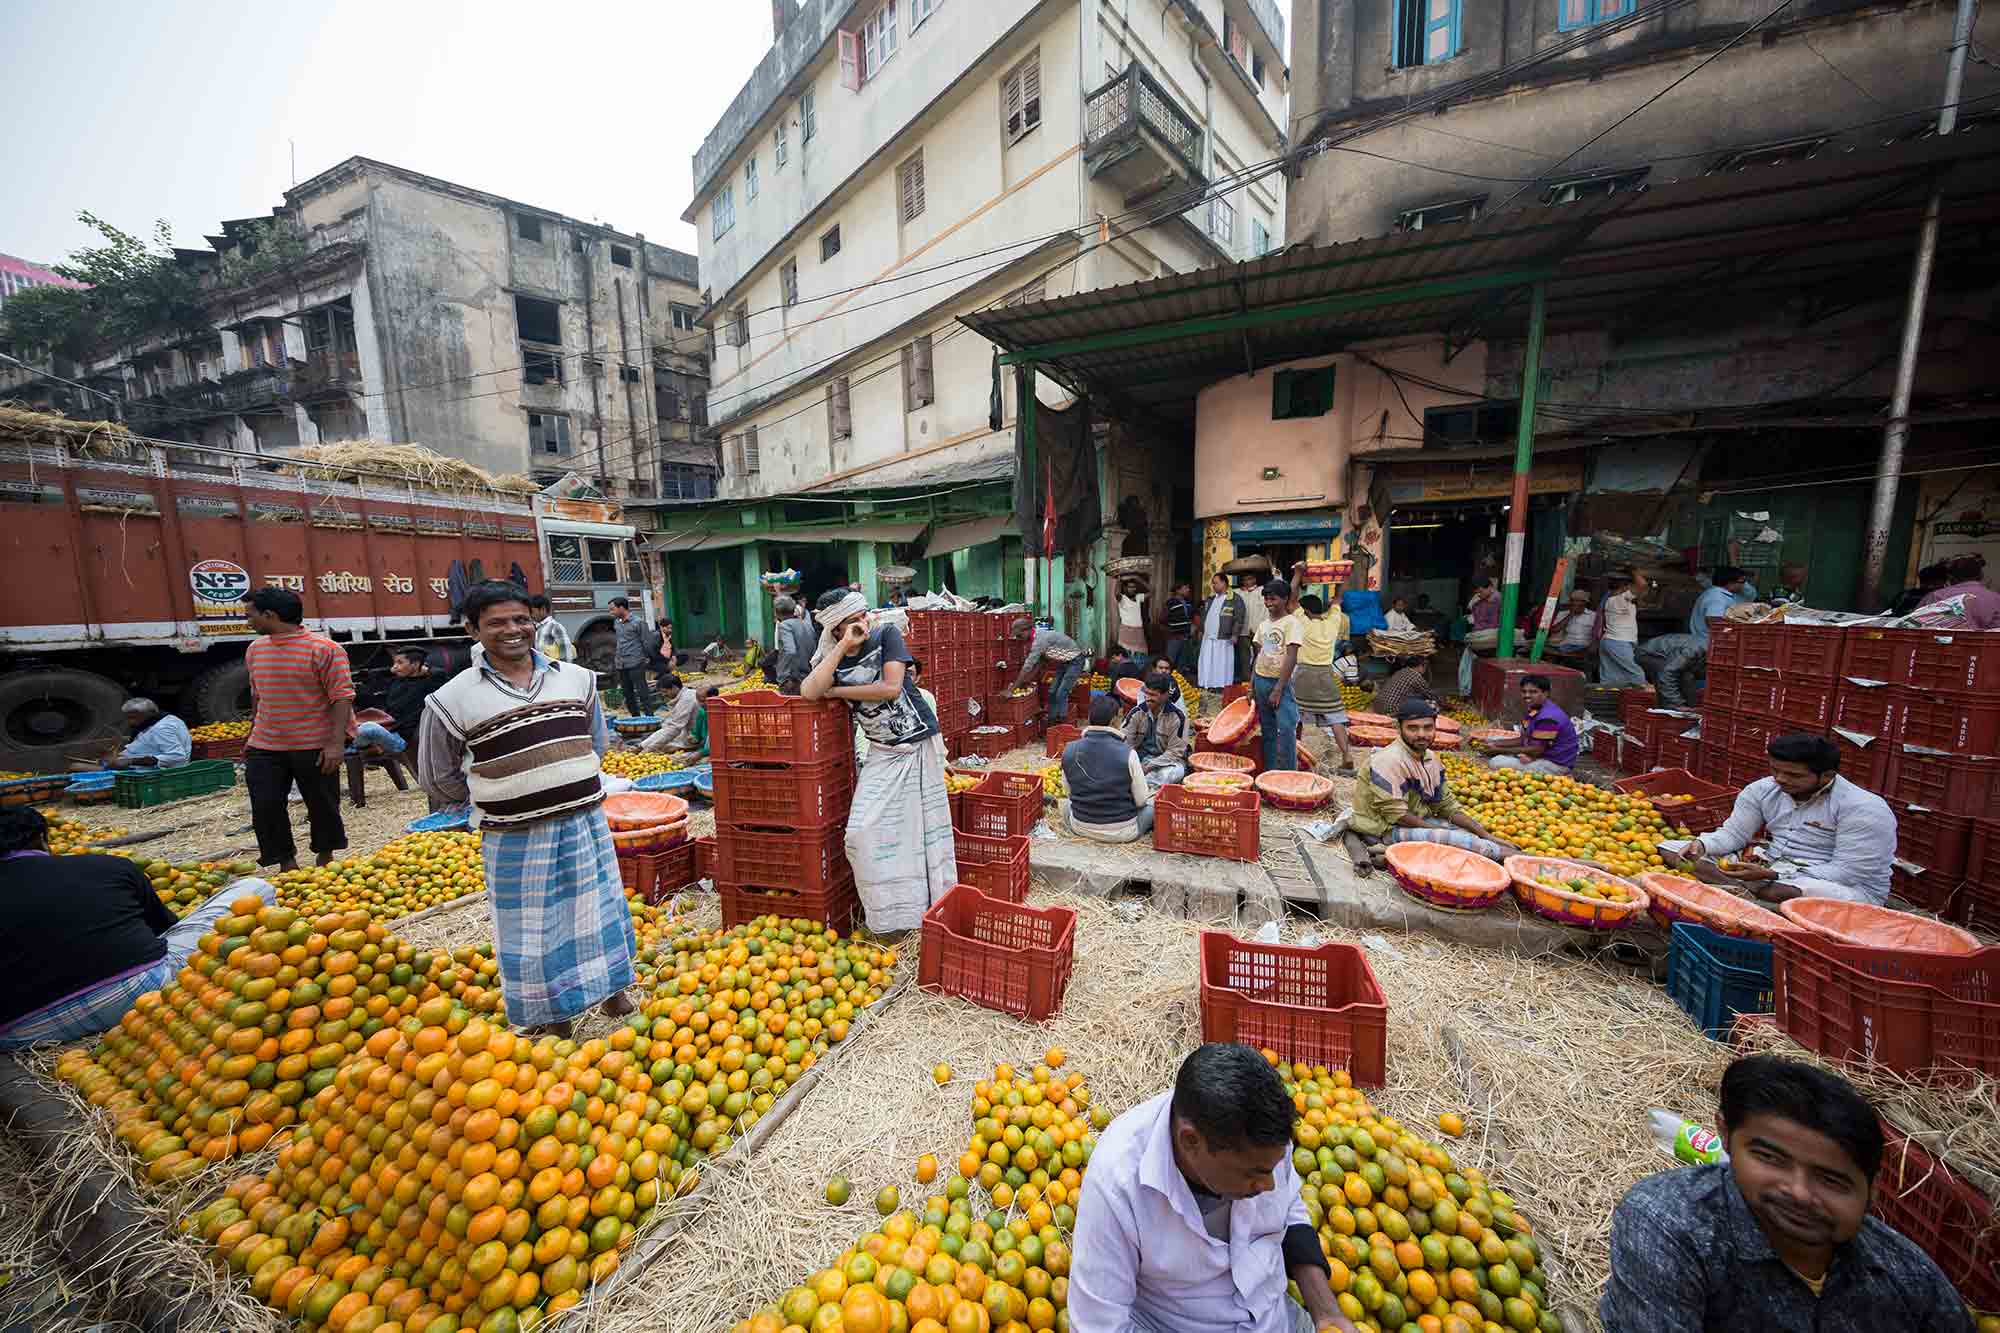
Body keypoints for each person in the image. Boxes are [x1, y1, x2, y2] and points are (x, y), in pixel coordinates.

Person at [1601, 1054, 1973, 1333]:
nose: (1798, 1193)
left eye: (1831, 1181)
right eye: (1770, 1159)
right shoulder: (1673, 1227)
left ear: (1872, 1192)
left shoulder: (1908, 1279)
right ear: (1726, 1137)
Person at [419, 581, 635, 1036]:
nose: (513, 629)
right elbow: (438, 776)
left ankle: (614, 991)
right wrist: (503, 794)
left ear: (534, 622)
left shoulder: (576, 678)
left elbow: (594, 742)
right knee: (534, 929)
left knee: (601, 911)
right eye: (497, 622)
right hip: (515, 834)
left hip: (584, 821)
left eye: (521, 619)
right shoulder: (451, 699)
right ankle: (552, 1016)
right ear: (472, 628)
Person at [1070, 1043, 1357, 1333]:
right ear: (1190, 1141)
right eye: (1253, 1173)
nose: (1269, 1185)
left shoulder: (1264, 1141)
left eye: (1273, 1169)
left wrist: (1326, 1312)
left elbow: (1290, 1210)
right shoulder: (1118, 1179)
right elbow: (1097, 1325)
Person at [0, 807, 279, 1047]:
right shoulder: (106, 866)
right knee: (255, 887)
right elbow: (165, 929)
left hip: (21, 1031)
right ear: (42, 839)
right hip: (141, 991)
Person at [802, 590, 957, 932]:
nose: (864, 622)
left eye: (865, 614)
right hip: (882, 752)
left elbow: (890, 687)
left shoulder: (887, 634)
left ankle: (924, 914)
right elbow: (809, 691)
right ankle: (889, 914)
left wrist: (837, 692)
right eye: (853, 620)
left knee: (919, 835)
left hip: (916, 745)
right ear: (836, 628)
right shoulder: (832, 655)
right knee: (860, 833)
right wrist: (842, 646)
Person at [1668, 734, 1896, 905]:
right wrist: (1702, 844)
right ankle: (1748, 891)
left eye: (1794, 775)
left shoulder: (1863, 808)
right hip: (1772, 867)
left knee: (1784, 891)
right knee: (1672, 850)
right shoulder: (1762, 790)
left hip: (1840, 886)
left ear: (1827, 775)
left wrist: (1775, 874)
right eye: (1775, 770)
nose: (1780, 779)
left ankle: (1748, 893)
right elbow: (1735, 834)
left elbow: (1847, 872)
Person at [242, 586, 351, 872]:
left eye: (250, 615)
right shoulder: (255, 650)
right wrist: (253, 734)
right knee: (265, 806)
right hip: (265, 744)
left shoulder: (325, 649)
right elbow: (258, 695)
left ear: (270, 615)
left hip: (313, 744)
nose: (248, 622)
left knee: (322, 805)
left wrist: (336, 744)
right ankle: (285, 862)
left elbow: (341, 696)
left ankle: (325, 856)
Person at [1342, 699, 1518, 875]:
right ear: (1400, 728)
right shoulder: (1388, 760)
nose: (1421, 734)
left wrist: (1485, 834)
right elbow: (1397, 815)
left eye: (1428, 727)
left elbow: (1445, 805)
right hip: (1384, 829)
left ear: (1435, 728)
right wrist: (1438, 832)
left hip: (1415, 821)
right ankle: (1521, 860)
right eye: (1413, 728)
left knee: (1468, 833)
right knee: (1460, 840)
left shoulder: (1431, 759)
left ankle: (1512, 857)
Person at [1059, 693, 1160, 842]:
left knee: (1066, 805)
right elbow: (1140, 801)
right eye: (1120, 717)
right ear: (1114, 721)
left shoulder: (1069, 750)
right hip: (1122, 832)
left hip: (1080, 827)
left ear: (1089, 719)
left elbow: (1069, 793)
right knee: (1152, 805)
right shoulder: (1129, 754)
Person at [1291, 594, 1354, 774]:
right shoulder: (1333, 622)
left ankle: (1296, 753)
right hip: (1326, 674)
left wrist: (1298, 573)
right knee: (1336, 717)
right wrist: (1336, 599)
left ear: (1306, 611)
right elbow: (1337, 601)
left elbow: (1292, 600)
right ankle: (1347, 755)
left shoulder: (1304, 623)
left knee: (1297, 716)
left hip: (1304, 674)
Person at [1250, 579, 1303, 774]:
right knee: (1268, 730)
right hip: (1261, 680)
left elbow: (1291, 656)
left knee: (1287, 729)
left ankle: (1288, 774)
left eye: (1273, 599)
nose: (1268, 602)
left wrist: (1278, 689)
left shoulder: (1291, 623)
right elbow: (1258, 656)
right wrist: (1251, 686)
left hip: (1280, 682)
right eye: (1266, 599)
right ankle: (1270, 773)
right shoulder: (1263, 625)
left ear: (1285, 599)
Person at [1477, 674, 1579, 775]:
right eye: (1524, 691)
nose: (1527, 695)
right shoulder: (1535, 709)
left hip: (1555, 764)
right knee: (1492, 738)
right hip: (1539, 753)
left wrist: (1498, 750)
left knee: (1496, 762)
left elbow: (1536, 750)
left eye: (1533, 692)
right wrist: (1493, 743)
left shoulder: (1548, 717)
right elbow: (1523, 739)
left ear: (1545, 693)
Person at [859, 658, 947, 767]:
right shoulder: (878, 698)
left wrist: (942, 762)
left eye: (909, 674)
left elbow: (932, 730)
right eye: (899, 672)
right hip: (882, 759)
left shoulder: (925, 697)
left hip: (913, 756)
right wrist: (864, 759)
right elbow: (864, 733)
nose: (902, 677)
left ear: (917, 678)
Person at [72, 698, 191, 771]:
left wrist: (130, 761)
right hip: (138, 764)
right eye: (128, 718)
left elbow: (177, 757)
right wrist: (116, 756)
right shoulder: (162, 719)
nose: (130, 722)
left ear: (149, 713)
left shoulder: (161, 729)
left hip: (152, 771)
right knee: (82, 764)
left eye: (134, 718)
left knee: (76, 767)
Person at [1122, 671, 1190, 789]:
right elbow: (1124, 741)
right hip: (1139, 760)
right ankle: (1144, 784)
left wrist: (1150, 766)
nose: (1148, 698)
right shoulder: (1136, 712)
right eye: (1146, 694)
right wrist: (1135, 763)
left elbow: (1175, 751)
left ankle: (1142, 785)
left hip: (1166, 763)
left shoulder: (1177, 717)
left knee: (1171, 773)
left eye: (1153, 695)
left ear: (1165, 696)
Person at [1016, 618, 1088, 726]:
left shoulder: (1039, 640)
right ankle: (1052, 721)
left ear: (1026, 630)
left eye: (1019, 635)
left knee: (1061, 693)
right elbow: (1040, 662)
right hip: (1064, 662)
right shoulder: (1035, 637)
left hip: (1075, 661)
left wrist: (1013, 687)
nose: (1019, 638)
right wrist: (1028, 679)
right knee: (1052, 692)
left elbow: (1028, 665)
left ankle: (1063, 723)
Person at [383, 646, 448, 752]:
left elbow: (439, 674)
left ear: (415, 664)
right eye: (394, 663)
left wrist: (422, 669)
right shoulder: (398, 682)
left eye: (400, 663)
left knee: (368, 729)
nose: (394, 668)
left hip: (408, 738)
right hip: (392, 731)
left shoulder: (430, 682)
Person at [1917, 552, 2000, 629]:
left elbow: (1915, 626)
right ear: (1981, 575)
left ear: (1950, 577)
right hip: (1983, 644)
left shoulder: (1935, 596)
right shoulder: (1996, 598)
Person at [1195, 573, 1245, 693]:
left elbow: (1239, 618)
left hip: (1224, 638)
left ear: (1224, 583)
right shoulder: (1211, 599)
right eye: (1213, 583)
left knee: (1222, 663)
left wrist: (1234, 634)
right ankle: (1206, 683)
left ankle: (1222, 686)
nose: (1213, 585)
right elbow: (1204, 617)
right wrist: (1201, 631)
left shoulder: (1234, 599)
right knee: (1207, 661)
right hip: (1208, 637)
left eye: (1215, 583)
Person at [638, 673, 707, 757]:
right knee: (659, 739)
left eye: (665, 691)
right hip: (691, 733)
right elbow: (670, 725)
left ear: (674, 688)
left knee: (664, 747)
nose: (664, 695)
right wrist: (642, 745)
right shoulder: (685, 695)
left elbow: (674, 728)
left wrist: (648, 749)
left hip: (698, 737)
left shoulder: (687, 699)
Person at [609, 597, 657, 716]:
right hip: (621, 663)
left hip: (636, 662)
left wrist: (647, 658)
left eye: (612, 609)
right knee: (627, 693)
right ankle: (635, 718)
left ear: (621, 608)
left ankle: (649, 717)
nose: (611, 612)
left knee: (642, 691)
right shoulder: (616, 622)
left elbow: (647, 642)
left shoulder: (638, 622)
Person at [1598, 571, 1647, 687]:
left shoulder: (1609, 599)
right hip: (1619, 643)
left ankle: (1607, 703)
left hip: (1610, 641)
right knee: (1637, 675)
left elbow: (1642, 591)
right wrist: (1634, 570)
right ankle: (1641, 700)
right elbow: (1642, 585)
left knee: (1611, 680)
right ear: (1625, 587)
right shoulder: (1619, 598)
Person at [1637, 633, 1708, 708]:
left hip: (1671, 654)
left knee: (1687, 677)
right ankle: (1670, 709)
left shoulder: (1708, 653)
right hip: (1648, 653)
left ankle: (1691, 709)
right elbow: (1667, 674)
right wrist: (1677, 704)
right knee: (1666, 676)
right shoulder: (1693, 651)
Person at [1689, 566, 1750, 648]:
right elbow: (1713, 622)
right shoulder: (1717, 597)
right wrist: (1734, 631)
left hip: (1713, 640)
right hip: (1709, 643)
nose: (1744, 585)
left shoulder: (1721, 594)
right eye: (1742, 582)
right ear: (1730, 582)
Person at [770, 595, 817, 694]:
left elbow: (790, 651)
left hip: (792, 680)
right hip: (808, 676)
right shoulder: (807, 624)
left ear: (776, 612)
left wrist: (789, 677)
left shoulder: (784, 625)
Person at [1367, 658, 1438, 720]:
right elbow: (1430, 695)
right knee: (1432, 705)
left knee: (1414, 698)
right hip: (1390, 710)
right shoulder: (1416, 676)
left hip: (1377, 706)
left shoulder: (1401, 671)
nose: (1424, 669)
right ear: (1420, 666)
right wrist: (1445, 704)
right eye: (1424, 667)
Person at [1235, 573, 1268, 683]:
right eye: (1245, 579)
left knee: (1260, 656)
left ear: (1255, 579)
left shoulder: (1262, 591)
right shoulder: (1238, 592)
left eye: (1250, 579)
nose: (1247, 581)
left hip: (1258, 630)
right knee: (1244, 658)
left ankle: (1257, 679)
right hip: (1243, 631)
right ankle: (1246, 681)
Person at [1549, 589, 1597, 657]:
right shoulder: (1563, 614)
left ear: (1585, 603)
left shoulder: (1593, 615)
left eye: (1579, 601)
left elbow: (1597, 635)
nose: (1575, 604)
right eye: (1573, 601)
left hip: (1584, 646)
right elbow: (1554, 630)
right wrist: (1570, 615)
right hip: (1565, 645)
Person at [528, 594, 574, 663]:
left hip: (554, 668)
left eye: (532, 612)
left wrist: (564, 671)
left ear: (542, 609)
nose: (531, 615)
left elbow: (566, 652)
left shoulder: (554, 626)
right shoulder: (535, 627)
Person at [1162, 582, 1196, 675]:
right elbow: (1162, 618)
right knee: (1170, 662)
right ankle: (1165, 682)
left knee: (1182, 664)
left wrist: (1192, 627)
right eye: (1186, 588)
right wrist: (1170, 631)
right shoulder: (1170, 602)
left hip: (1186, 638)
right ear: (1178, 590)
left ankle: (1178, 684)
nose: (1188, 590)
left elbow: (1192, 618)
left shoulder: (1189, 603)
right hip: (1174, 638)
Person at [1117, 579, 1150, 660]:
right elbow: (1116, 593)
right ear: (1125, 588)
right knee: (1125, 653)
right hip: (1126, 629)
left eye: (1134, 587)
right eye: (1130, 587)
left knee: (1141, 653)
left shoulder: (1138, 597)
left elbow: (1152, 591)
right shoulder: (1122, 598)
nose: (1132, 589)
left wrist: (1138, 578)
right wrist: (1118, 581)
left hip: (1138, 630)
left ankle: (1137, 671)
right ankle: (1126, 670)